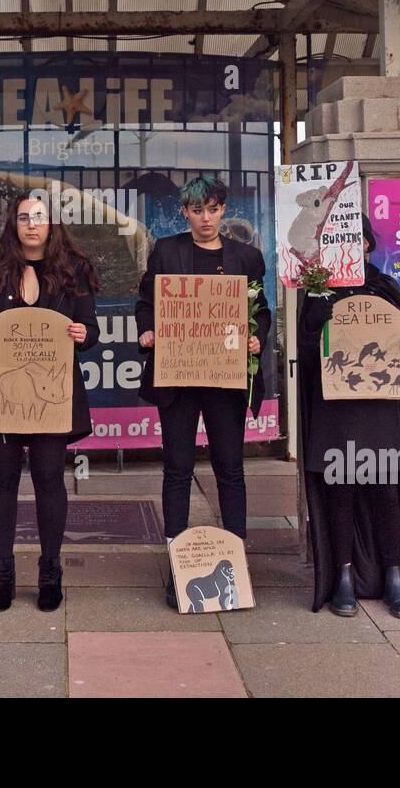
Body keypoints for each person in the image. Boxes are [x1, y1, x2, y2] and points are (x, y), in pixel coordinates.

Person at [0, 191, 100, 612]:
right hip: (1, 395)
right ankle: (2, 571)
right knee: (1, 480)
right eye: (23, 217)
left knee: (49, 479)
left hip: (52, 397)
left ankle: (50, 571)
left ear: (51, 223)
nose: (32, 224)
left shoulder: (73, 272)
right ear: (13, 225)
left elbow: (91, 332)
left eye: (39, 216)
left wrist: (81, 334)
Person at [135, 175, 271, 609]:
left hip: (225, 380)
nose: (206, 218)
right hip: (178, 377)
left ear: (223, 210)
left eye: (213, 209)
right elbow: (145, 302)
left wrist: (257, 337)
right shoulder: (167, 250)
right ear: (185, 213)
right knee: (176, 468)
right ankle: (179, 562)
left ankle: (236, 558)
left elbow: (260, 310)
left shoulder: (246, 257)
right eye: (197, 210)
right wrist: (147, 331)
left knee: (230, 469)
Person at [297, 216, 400, 619]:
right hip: (337, 409)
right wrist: (317, 317)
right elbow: (306, 355)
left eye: (359, 239)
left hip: (379, 409)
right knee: (341, 492)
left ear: (370, 244)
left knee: (385, 491)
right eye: (344, 239)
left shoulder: (385, 287)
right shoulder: (318, 291)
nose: (353, 246)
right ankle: (343, 578)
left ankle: (394, 577)